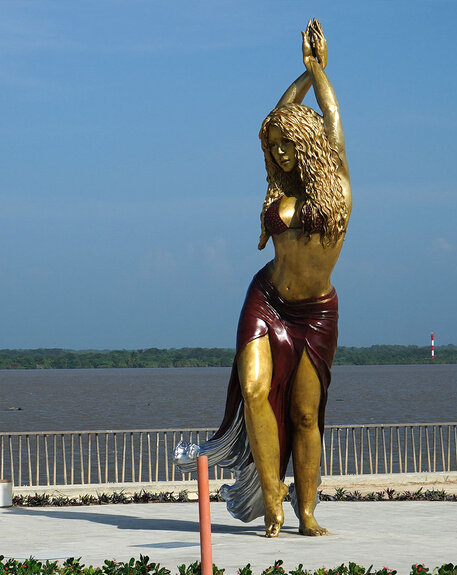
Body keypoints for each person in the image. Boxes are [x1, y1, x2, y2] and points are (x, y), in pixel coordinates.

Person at [175, 19, 351, 538]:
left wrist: (317, 70)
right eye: (272, 145)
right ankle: (273, 505)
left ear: (308, 142)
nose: (278, 153)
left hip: (315, 314)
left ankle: (308, 511)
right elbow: (274, 116)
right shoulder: (279, 188)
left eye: (286, 143)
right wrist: (293, 85)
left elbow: (333, 118)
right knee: (254, 392)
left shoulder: (336, 181)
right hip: (267, 299)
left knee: (303, 416)